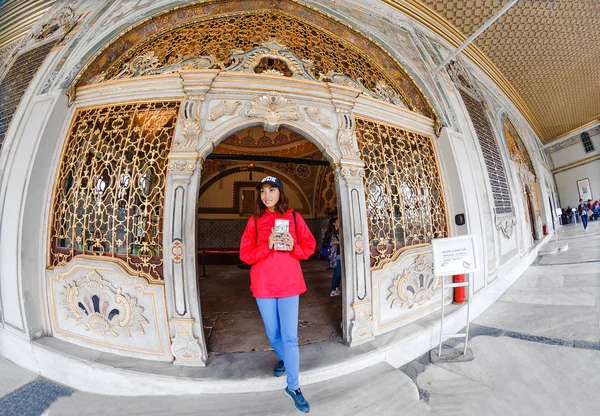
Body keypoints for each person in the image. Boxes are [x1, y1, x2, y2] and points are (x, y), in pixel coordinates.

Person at [240, 175, 316, 414]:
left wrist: (293, 245)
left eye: (272, 190)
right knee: (273, 333)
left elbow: (309, 247)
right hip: (263, 284)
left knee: (290, 336)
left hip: (289, 284)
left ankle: (293, 386)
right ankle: (284, 358)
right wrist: (267, 244)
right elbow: (245, 255)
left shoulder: (294, 217)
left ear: (280, 193)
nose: (267, 195)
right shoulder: (254, 220)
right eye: (263, 191)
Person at [329, 217, 342, 297]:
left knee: (340, 273)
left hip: (340, 254)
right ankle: (333, 290)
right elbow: (330, 242)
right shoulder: (331, 233)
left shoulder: (338, 232)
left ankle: (337, 288)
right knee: (336, 272)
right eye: (337, 221)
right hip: (334, 255)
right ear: (334, 223)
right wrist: (339, 242)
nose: (339, 222)